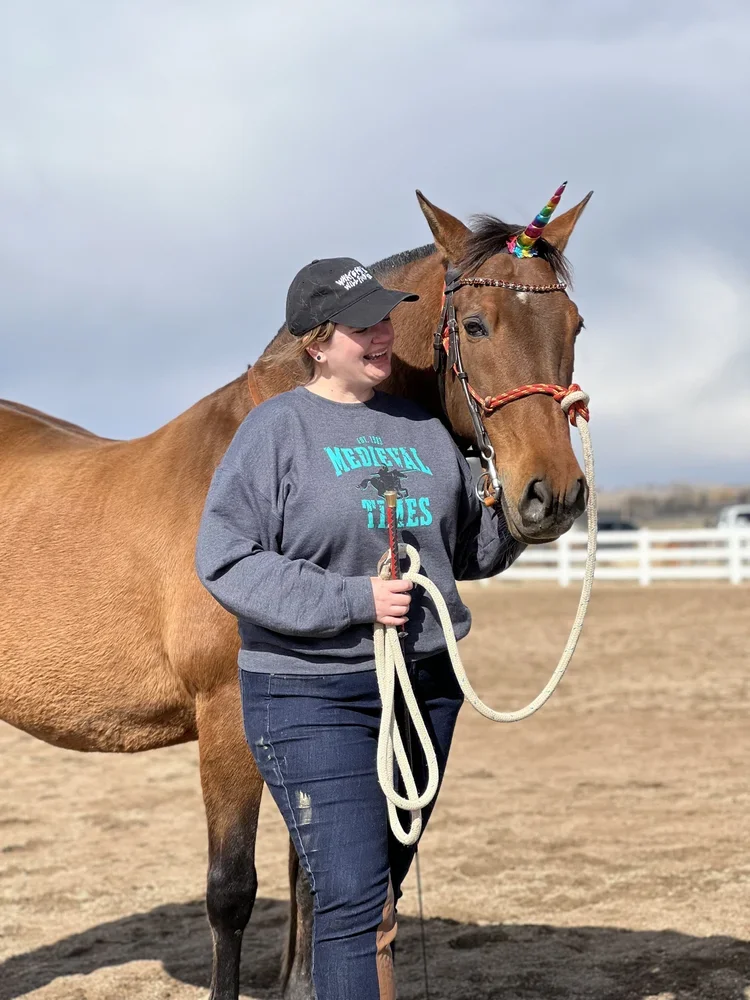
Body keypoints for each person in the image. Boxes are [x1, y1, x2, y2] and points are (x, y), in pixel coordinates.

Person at [195, 257, 524, 1000]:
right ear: (317, 343)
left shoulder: (427, 433)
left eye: (385, 319)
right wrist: (351, 601)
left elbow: (470, 551)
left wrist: (539, 471)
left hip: (425, 689)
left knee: (377, 891)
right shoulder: (275, 430)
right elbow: (224, 560)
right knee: (349, 900)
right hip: (312, 695)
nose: (384, 335)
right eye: (363, 325)